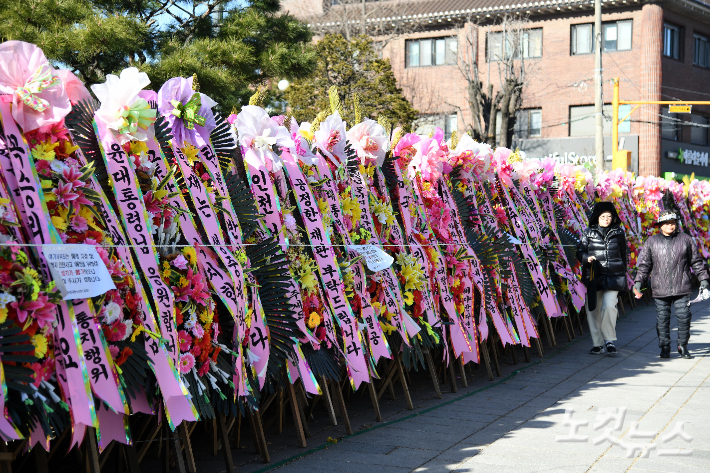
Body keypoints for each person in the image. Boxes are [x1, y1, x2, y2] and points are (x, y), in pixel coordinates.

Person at [633, 209, 709, 359]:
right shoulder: (652, 241)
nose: (670, 226)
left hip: (682, 286)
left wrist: (704, 279)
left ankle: (683, 345)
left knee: (684, 317)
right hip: (660, 288)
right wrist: (638, 282)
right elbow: (644, 265)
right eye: (667, 223)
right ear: (660, 225)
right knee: (662, 319)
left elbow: (696, 262)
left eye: (673, 223)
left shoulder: (686, 239)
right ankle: (665, 346)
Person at [577, 202, 627, 356]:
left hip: (614, 276)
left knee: (609, 306)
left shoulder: (619, 233)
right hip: (594, 276)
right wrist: (587, 258)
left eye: (609, 216)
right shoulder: (588, 233)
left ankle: (609, 340)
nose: (606, 219)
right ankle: (597, 344)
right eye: (603, 216)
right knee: (593, 309)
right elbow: (580, 252)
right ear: (597, 217)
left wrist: (623, 272)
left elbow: (624, 254)